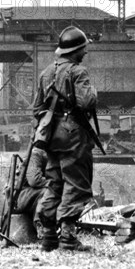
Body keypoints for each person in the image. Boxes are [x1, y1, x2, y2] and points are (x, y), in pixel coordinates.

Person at [34, 26, 97, 252]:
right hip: (73, 136)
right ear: (75, 51)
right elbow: (87, 102)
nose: (85, 53)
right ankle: (68, 237)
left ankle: (49, 236)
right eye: (83, 49)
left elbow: (37, 108)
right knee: (76, 183)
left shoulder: (46, 72)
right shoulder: (79, 72)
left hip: (51, 138)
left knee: (54, 182)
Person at [14, 146, 48, 238]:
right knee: (49, 192)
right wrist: (56, 183)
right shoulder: (35, 154)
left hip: (29, 194)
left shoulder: (49, 154)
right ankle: (40, 225)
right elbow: (34, 180)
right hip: (18, 196)